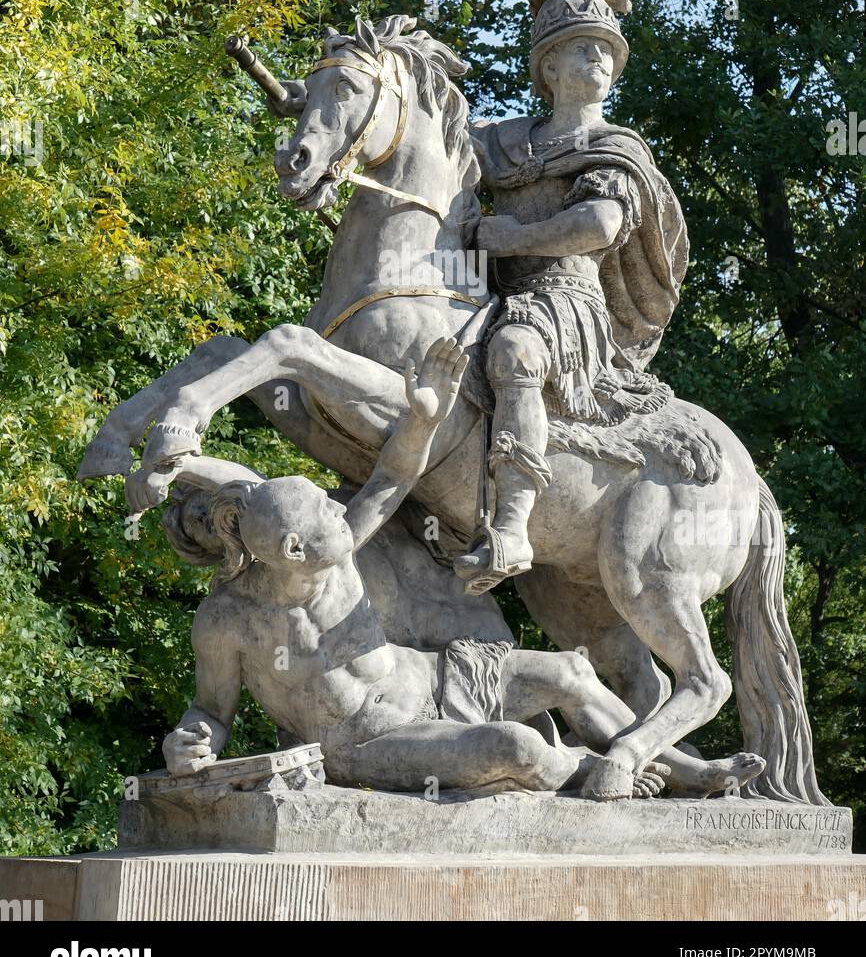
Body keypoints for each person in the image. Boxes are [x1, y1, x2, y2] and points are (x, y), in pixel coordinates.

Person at [126, 337, 763, 800]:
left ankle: (682, 769)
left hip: (434, 676)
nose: (338, 504)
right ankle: (586, 770)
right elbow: (211, 711)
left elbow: (394, 476)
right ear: (293, 551)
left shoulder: (335, 545)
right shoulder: (227, 620)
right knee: (514, 748)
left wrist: (427, 414)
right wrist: (187, 742)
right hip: (371, 737)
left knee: (568, 672)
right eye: (324, 507)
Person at [459, 0, 689, 591]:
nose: (599, 59)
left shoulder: (614, 146)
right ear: (548, 66)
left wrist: (515, 236)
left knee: (514, 352)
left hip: (566, 297)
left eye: (606, 50)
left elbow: (600, 228)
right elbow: (431, 165)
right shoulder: (499, 141)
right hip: (481, 286)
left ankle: (510, 526)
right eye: (582, 48)